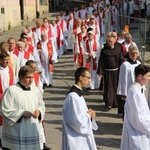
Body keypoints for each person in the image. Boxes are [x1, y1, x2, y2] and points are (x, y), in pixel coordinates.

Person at [0, 65, 45, 150]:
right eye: (28, 77)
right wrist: (22, 113)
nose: (31, 80)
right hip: (16, 131)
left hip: (32, 129)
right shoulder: (11, 90)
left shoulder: (35, 91)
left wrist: (39, 111)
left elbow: (41, 104)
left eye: (32, 77)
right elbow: (4, 110)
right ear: (20, 77)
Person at [62, 67, 98, 150]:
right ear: (81, 78)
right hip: (76, 140)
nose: (89, 81)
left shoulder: (78, 95)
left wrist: (89, 115)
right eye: (88, 78)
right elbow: (76, 121)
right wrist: (88, 115)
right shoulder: (73, 97)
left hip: (80, 139)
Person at [121, 64, 150, 150]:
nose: (149, 79)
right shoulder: (135, 93)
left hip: (142, 132)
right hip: (137, 134)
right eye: (148, 76)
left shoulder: (139, 89)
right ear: (140, 77)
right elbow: (138, 119)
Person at [97, 33, 123, 109]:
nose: (109, 43)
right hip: (107, 71)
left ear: (114, 41)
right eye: (108, 41)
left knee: (116, 87)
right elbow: (101, 61)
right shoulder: (104, 51)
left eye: (111, 41)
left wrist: (122, 69)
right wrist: (100, 71)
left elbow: (120, 59)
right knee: (108, 88)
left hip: (116, 71)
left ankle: (115, 102)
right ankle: (109, 103)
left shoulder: (118, 49)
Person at [117, 45, 141, 115]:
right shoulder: (125, 65)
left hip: (137, 89)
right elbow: (122, 80)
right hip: (128, 90)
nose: (134, 55)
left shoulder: (139, 64)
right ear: (129, 53)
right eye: (132, 53)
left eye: (136, 53)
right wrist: (123, 93)